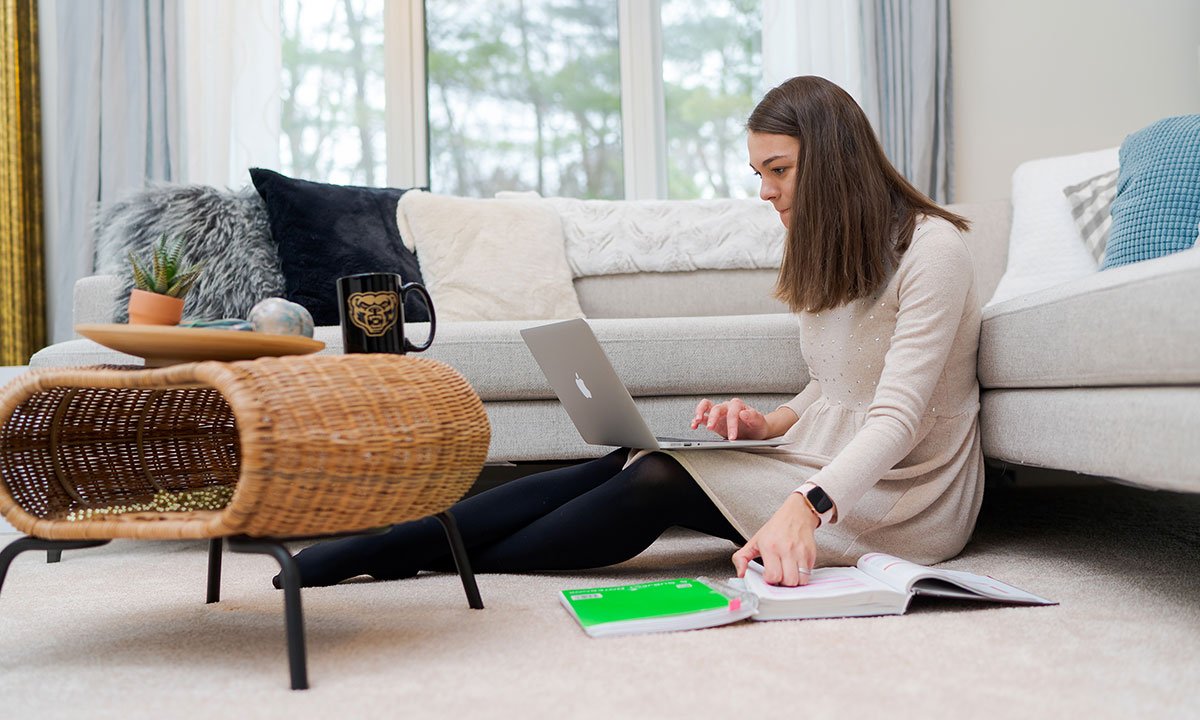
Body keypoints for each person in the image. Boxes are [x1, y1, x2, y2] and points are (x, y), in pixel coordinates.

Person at [283, 75, 984, 590]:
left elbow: (896, 414)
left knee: (656, 477)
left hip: (901, 499)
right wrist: (768, 422)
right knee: (625, 457)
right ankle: (397, 543)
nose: (765, 191)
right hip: (820, 464)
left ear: (833, 163)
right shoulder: (830, 245)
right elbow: (837, 381)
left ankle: (403, 555)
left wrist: (807, 506)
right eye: (759, 172)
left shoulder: (934, 251)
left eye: (779, 170)